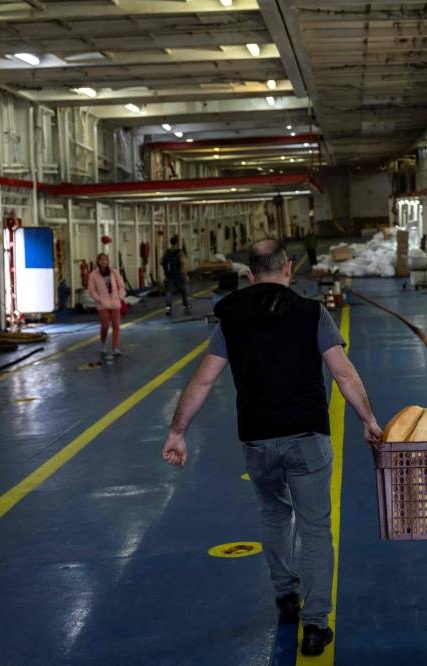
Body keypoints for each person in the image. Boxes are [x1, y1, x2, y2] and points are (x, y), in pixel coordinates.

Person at [161, 239, 382, 657]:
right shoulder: (312, 313)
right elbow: (343, 374)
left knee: (274, 514)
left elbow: (203, 380)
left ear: (249, 275)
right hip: (307, 437)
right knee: (316, 529)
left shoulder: (230, 318)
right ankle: (315, 625)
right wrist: (368, 420)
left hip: (258, 439)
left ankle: (285, 594)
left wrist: (177, 431)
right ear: (288, 270)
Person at [86, 252, 125, 356]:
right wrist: (98, 299)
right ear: (98, 261)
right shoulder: (93, 274)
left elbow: (121, 284)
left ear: (108, 261)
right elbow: (91, 289)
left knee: (116, 325)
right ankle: (103, 343)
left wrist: (120, 296)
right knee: (105, 325)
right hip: (102, 304)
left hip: (115, 302)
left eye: (105, 259)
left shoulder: (114, 272)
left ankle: (115, 347)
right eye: (101, 260)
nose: (103, 261)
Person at [161, 235, 191, 315]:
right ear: (177, 243)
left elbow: (161, 262)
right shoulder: (179, 252)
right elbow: (183, 263)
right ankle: (186, 306)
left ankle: (168, 308)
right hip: (179, 275)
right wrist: (185, 275)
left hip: (169, 275)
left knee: (168, 292)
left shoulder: (166, 252)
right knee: (184, 291)